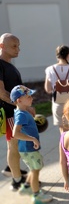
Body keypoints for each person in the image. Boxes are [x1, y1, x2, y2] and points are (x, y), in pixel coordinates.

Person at [10, 85, 53, 203]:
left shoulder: (22, 111)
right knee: (35, 170)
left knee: (34, 168)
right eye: (28, 97)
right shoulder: (21, 115)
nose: (31, 99)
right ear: (19, 100)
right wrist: (33, 139)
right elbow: (15, 133)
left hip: (28, 148)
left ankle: (27, 187)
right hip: (28, 148)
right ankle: (36, 195)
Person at [0, 33, 32, 191]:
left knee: (17, 145)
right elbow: (1, 93)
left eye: (18, 46)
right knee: (14, 145)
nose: (18, 49)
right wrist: (21, 105)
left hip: (16, 111)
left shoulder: (10, 65)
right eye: (14, 46)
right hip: (10, 112)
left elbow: (17, 89)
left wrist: (28, 104)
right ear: (2, 46)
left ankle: (11, 170)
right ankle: (17, 180)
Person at [44, 45, 69, 133]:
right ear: (68, 55)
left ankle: (64, 146)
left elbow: (48, 89)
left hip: (57, 102)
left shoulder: (50, 69)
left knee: (63, 132)